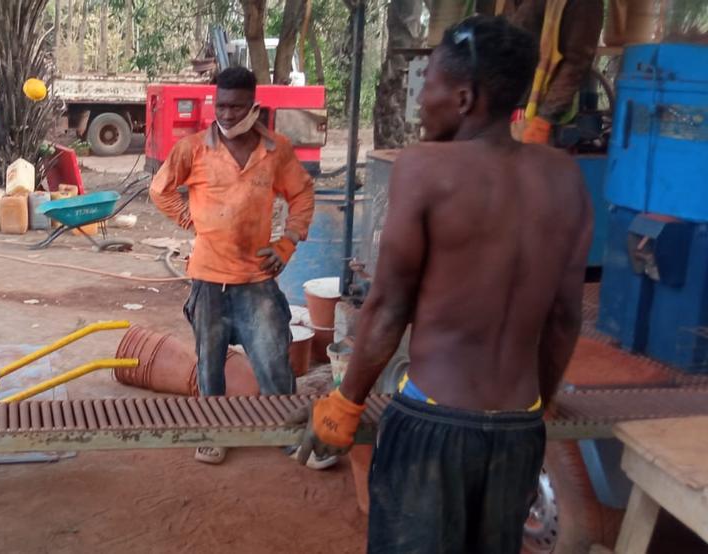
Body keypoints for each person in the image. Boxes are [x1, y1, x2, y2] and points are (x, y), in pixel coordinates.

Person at [291, 16, 591, 554]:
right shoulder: (565, 176)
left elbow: (388, 306)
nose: (419, 100)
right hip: (519, 432)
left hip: (436, 427)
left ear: (464, 97)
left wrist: (345, 404)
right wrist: (539, 405)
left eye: (427, 83)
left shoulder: (425, 168)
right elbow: (566, 315)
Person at [150, 66, 315, 465]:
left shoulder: (276, 150)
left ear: (253, 106)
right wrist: (193, 220)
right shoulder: (194, 149)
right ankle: (212, 431)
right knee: (209, 365)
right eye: (220, 105)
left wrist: (288, 242)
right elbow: (161, 189)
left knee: (274, 361)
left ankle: (288, 433)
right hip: (208, 280)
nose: (226, 114)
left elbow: (302, 194)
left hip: (256, 278)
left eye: (236, 106)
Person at [501, 0, 604, 144]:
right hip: (506, 105)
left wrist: (544, 120)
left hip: (538, 111)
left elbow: (577, 62)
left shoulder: (584, 4)